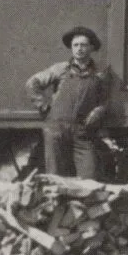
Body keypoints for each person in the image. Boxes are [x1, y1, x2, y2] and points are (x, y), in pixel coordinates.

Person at [26, 26, 111, 179]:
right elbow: (32, 84)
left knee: (89, 178)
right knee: (56, 179)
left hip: (83, 132)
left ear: (91, 47)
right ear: (71, 48)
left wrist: (99, 111)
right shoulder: (60, 69)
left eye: (83, 45)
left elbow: (105, 99)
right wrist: (44, 106)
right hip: (57, 131)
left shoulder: (100, 73)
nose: (79, 49)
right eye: (75, 45)